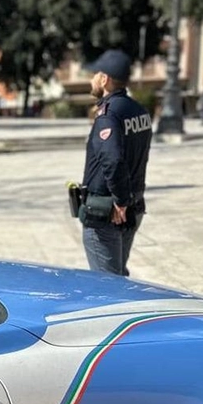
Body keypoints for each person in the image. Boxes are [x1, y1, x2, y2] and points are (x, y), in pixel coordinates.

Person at [79, 49, 152, 277]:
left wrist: (120, 201)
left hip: (108, 211)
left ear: (104, 79)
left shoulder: (108, 115)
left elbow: (111, 159)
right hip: (132, 205)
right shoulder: (139, 111)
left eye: (94, 74)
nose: (91, 79)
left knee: (107, 285)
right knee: (118, 274)